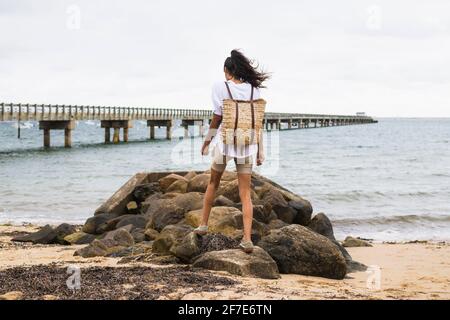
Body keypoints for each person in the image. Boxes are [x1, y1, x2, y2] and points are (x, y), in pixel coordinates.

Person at [194, 49, 270, 253]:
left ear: (227, 71)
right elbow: (257, 122)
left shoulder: (220, 87)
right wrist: (260, 151)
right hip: (247, 144)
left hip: (225, 143)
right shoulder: (254, 90)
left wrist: (207, 141)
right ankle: (247, 239)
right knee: (245, 193)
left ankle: (203, 225)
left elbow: (217, 117)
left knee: (213, 183)